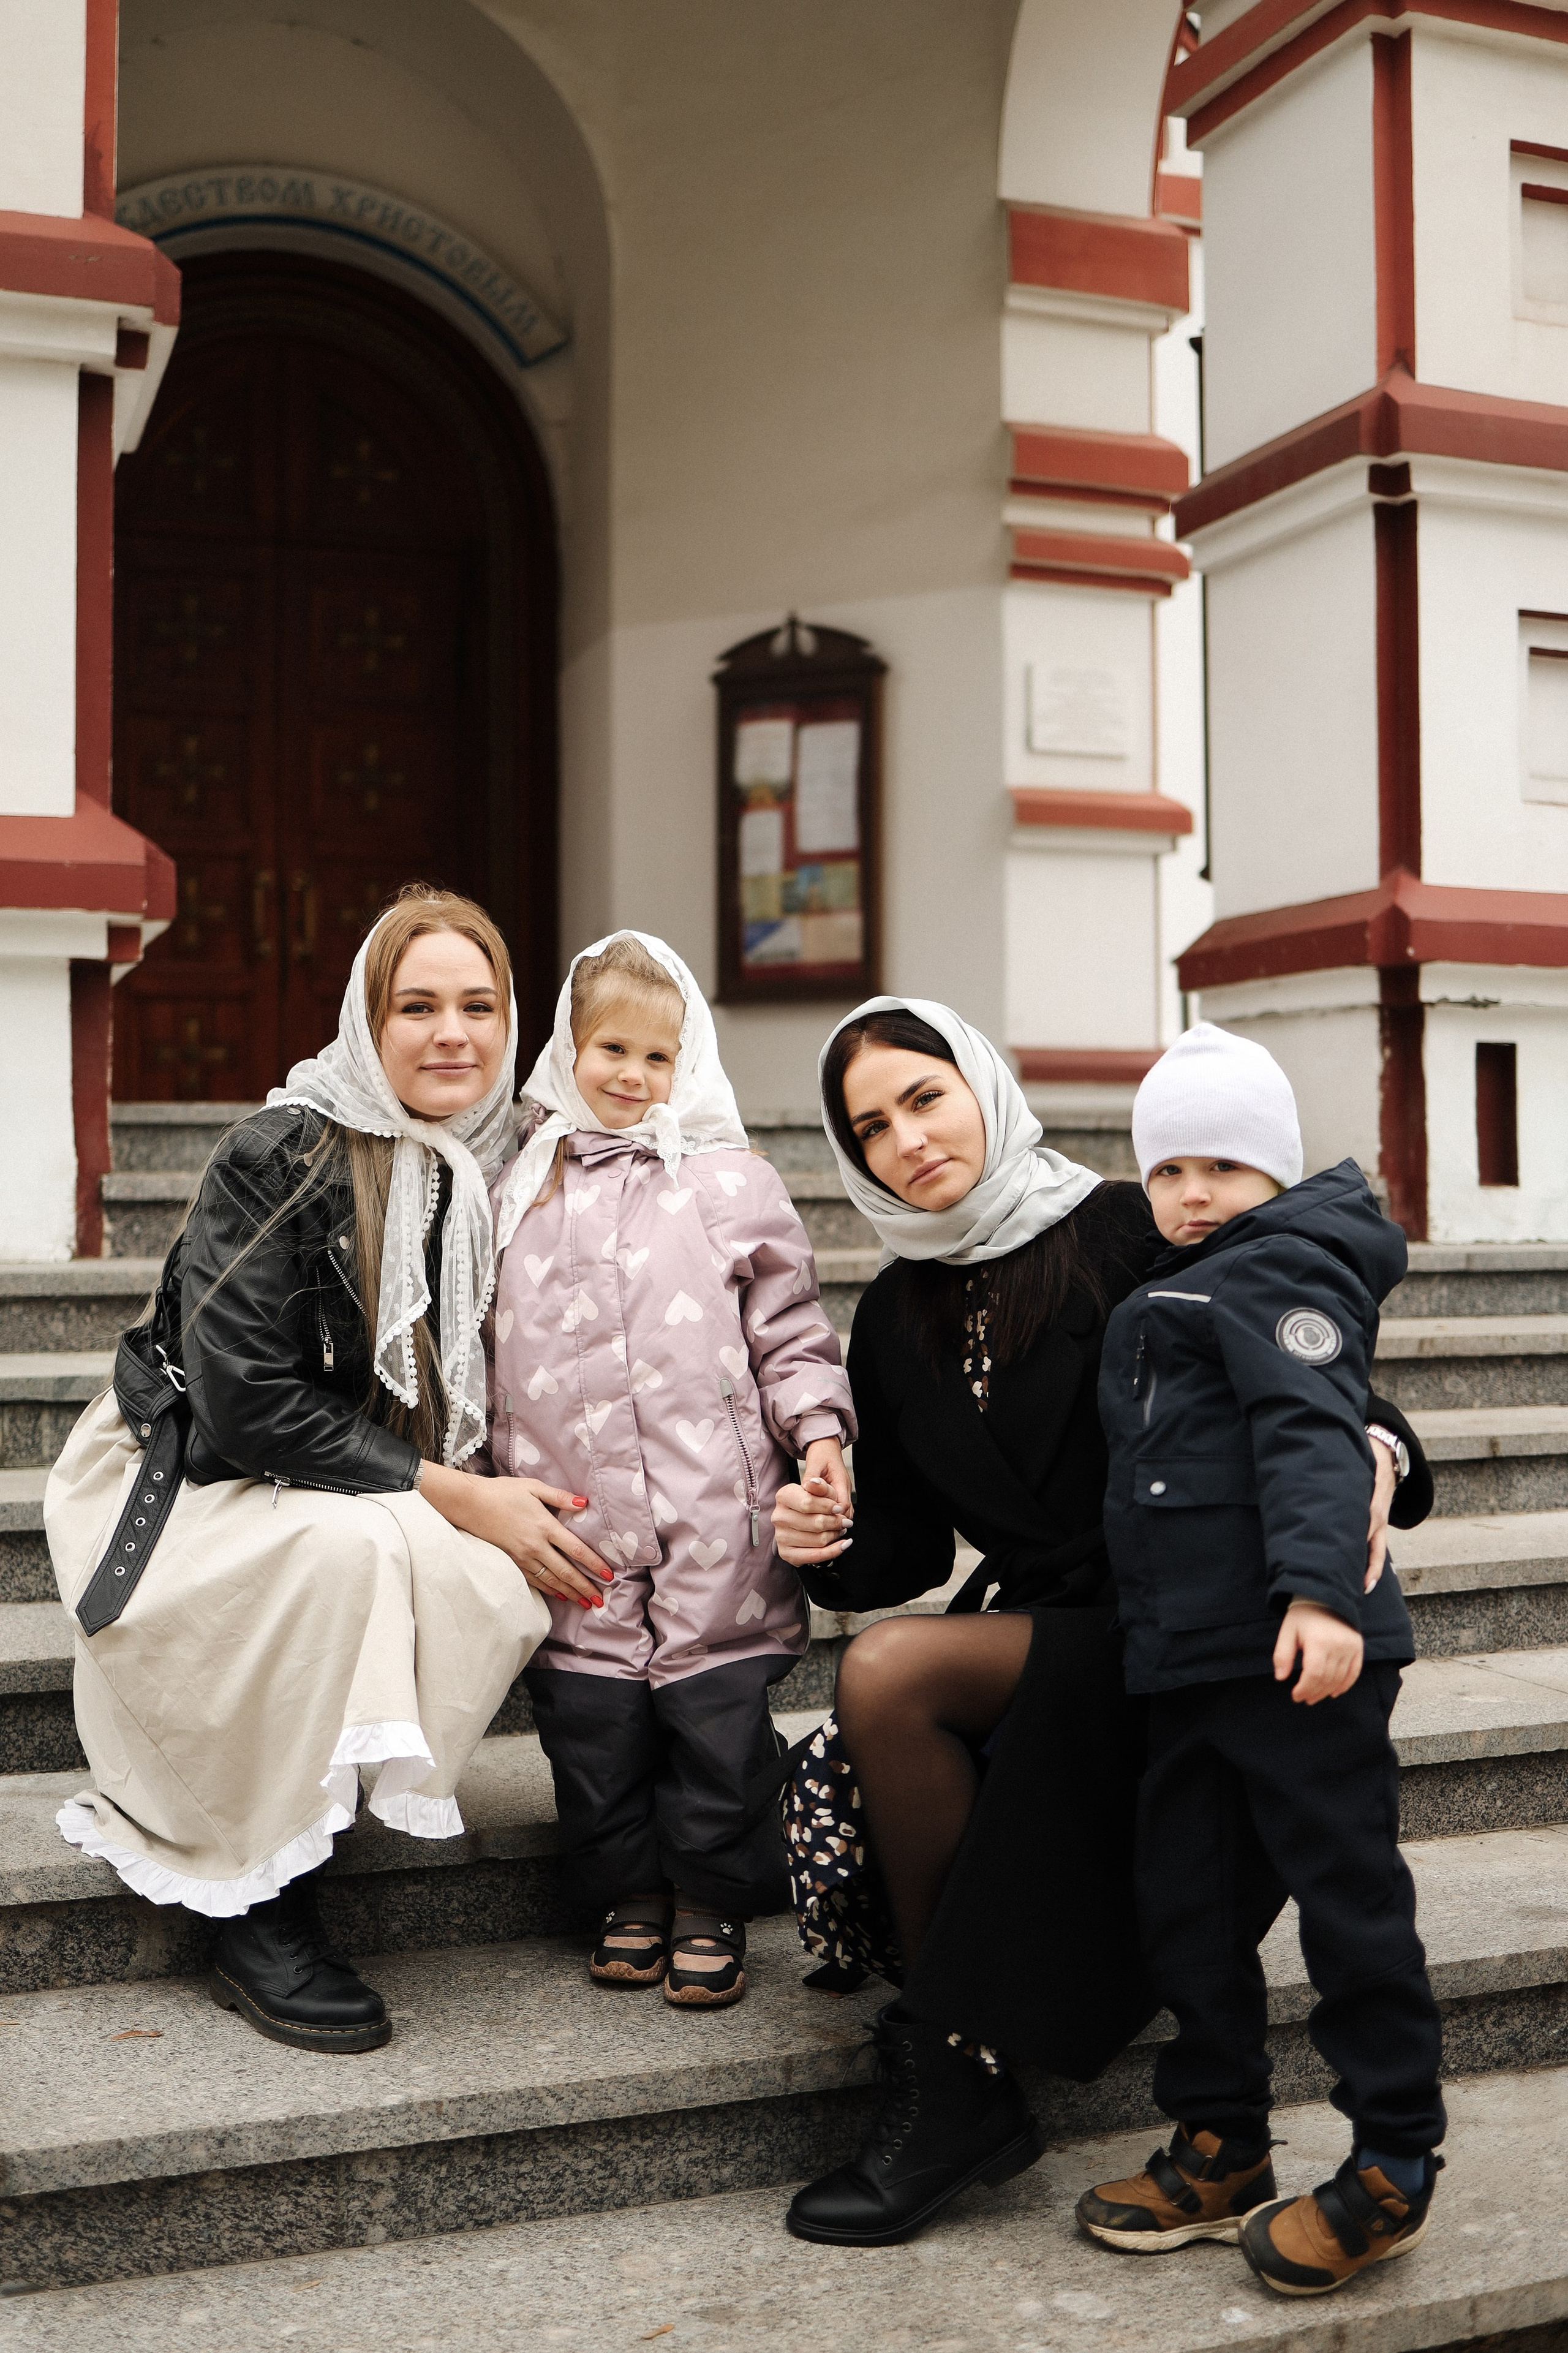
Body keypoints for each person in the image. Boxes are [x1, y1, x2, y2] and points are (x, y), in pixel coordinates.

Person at [771, 998, 1430, 2248]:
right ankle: (965, 2061)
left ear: (980, 1085)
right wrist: (825, 1540)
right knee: (888, 1659)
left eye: (924, 1096)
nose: (905, 1139)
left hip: (1192, 1620)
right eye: (869, 1128)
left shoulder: (1130, 1222)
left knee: (889, 1672)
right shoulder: (892, 1317)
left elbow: (1321, 1376)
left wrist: (1383, 1451)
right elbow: (907, 1548)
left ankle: (954, 2051)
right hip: (1061, 1636)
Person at [44, 888, 611, 2053]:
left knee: (497, 1578)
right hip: (194, 1481)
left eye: (478, 1004)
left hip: (352, 1480)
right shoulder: (281, 1150)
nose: (451, 1032)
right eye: (417, 1006)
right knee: (359, 1545)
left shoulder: (495, 1164)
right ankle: (261, 1897)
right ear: (368, 1018)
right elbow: (246, 1407)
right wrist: (461, 1495)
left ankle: (346, 1792)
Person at [1076, 1023, 1445, 2297]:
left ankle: (1393, 2156)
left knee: (1346, 1908)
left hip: (1300, 1654)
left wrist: (1317, 1596)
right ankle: (1221, 2138)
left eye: (1222, 1168)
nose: (1191, 1193)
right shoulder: (1190, 1272)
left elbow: (1307, 1429)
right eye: (1168, 1168)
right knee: (1188, 1905)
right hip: (1190, 1663)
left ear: (1273, 1176)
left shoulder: (1281, 1265)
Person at [489, 931, 853, 2007]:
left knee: (717, 1715)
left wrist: (820, 1429)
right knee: (592, 1724)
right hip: (574, 1510)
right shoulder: (518, 1185)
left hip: (715, 1509)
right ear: (568, 1046)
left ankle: (712, 1894)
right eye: (612, 1048)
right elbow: (475, 1344)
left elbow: (790, 1331)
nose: (632, 1076)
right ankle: (627, 1893)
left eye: (659, 1057)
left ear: (687, 1065)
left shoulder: (732, 1183)